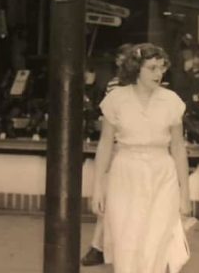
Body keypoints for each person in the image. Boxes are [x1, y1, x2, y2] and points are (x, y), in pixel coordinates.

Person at [92, 43, 191, 273]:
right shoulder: (116, 99)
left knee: (157, 240)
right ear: (136, 68)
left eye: (162, 67)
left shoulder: (171, 100)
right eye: (152, 68)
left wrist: (184, 193)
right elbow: (106, 144)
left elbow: (177, 147)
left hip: (162, 173)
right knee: (126, 240)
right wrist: (98, 187)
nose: (159, 73)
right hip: (125, 172)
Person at [82, 42, 133, 266]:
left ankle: (101, 246)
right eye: (120, 59)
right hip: (117, 147)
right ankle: (99, 245)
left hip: (131, 148)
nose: (121, 63)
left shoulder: (148, 86)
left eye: (126, 59)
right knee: (112, 198)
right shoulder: (115, 85)